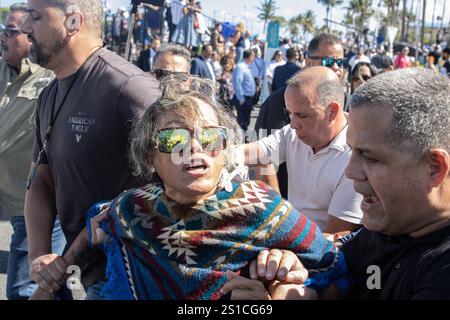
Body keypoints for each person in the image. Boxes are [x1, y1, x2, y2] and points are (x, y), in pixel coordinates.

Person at [33, 77, 350, 300]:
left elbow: (335, 266)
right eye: (174, 140)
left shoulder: (263, 208)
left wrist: (288, 289)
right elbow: (97, 221)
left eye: (211, 138)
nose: (195, 149)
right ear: (149, 156)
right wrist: (58, 271)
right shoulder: (130, 207)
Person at [248, 68, 450, 300]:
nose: (351, 171)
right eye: (353, 151)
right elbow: (354, 281)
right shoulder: (383, 232)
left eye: (370, 157)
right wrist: (296, 279)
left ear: (434, 168)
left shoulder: (441, 271)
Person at [20, 0, 160, 299]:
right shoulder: (48, 96)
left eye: (35, 16)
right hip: (77, 276)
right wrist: (40, 256)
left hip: (130, 277)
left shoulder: (129, 87)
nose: (24, 27)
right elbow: (40, 180)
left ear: (73, 22)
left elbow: (178, 183)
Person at [238, 66, 363, 235]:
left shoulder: (356, 159)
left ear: (332, 111)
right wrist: (202, 153)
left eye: (302, 116)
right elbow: (249, 154)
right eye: (290, 113)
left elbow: (335, 237)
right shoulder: (292, 134)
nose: (292, 124)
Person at [0, 3, 65, 300]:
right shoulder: (3, 72)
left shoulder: (50, 80)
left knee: (24, 290)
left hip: (38, 205)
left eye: (11, 30)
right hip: (9, 198)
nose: (3, 36)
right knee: (47, 285)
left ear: (30, 34)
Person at [255, 33, 349, 200]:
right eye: (328, 61)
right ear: (308, 62)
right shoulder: (280, 101)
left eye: (340, 62)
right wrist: (276, 209)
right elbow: (262, 159)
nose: (336, 68)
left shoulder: (349, 101)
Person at [232, 49, 256, 131]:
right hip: (243, 99)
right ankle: (240, 139)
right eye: (253, 56)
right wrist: (241, 99)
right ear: (250, 57)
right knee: (242, 122)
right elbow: (237, 83)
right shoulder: (240, 67)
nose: (254, 58)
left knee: (246, 121)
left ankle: (243, 137)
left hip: (248, 98)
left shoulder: (247, 67)